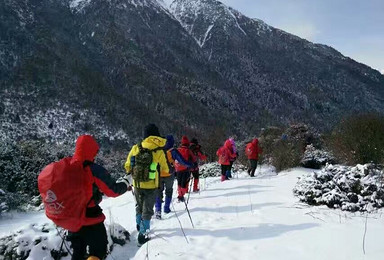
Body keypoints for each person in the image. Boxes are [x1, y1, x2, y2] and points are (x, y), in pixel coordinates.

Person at [66, 135, 131, 260]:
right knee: (98, 251)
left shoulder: (68, 166)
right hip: (91, 218)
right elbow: (113, 191)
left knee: (78, 252)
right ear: (91, 150)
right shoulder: (94, 170)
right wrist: (127, 181)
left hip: (72, 218)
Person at [124, 124, 169, 246]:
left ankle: (139, 225)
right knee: (148, 210)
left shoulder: (136, 147)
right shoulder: (159, 150)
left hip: (137, 183)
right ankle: (143, 236)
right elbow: (165, 169)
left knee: (139, 205)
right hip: (151, 185)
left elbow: (127, 166)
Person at [155, 135, 194, 218]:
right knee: (169, 191)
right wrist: (191, 165)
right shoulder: (173, 151)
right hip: (169, 174)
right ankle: (166, 208)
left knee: (158, 192)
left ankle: (158, 210)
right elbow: (182, 161)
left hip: (158, 174)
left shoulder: (158, 150)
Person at [174, 136, 195, 202]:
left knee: (179, 182)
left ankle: (180, 195)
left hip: (177, 169)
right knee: (184, 183)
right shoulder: (188, 151)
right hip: (185, 169)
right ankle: (181, 195)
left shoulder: (177, 150)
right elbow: (193, 159)